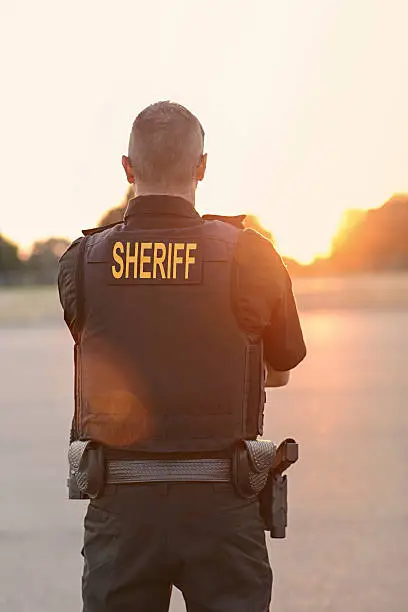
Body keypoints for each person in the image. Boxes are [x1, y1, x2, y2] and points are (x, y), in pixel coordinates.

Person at [58, 101, 306, 612]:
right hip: (222, 503)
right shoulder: (252, 254)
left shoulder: (82, 261)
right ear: (202, 167)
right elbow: (280, 367)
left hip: (121, 507)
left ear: (127, 169)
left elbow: (98, 346)